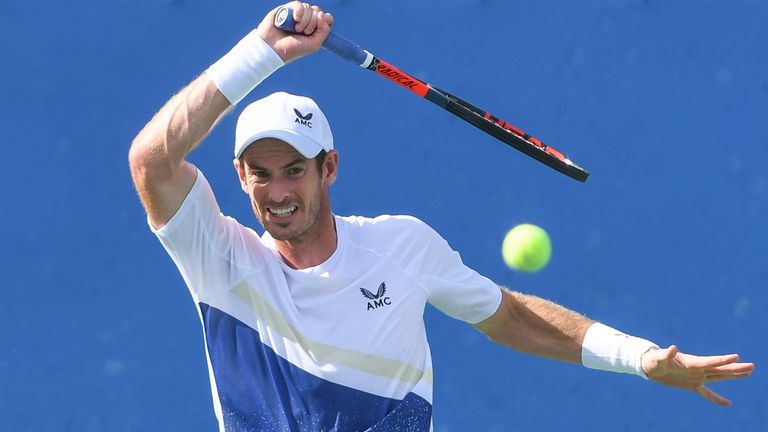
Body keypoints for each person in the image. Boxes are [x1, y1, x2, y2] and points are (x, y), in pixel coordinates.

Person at [128, 2, 754, 431]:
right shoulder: (220, 259)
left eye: (294, 168)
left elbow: (509, 316)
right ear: (239, 178)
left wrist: (639, 356)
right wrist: (261, 53)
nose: (278, 189)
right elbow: (152, 159)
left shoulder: (400, 248)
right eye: (260, 173)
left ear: (330, 169)